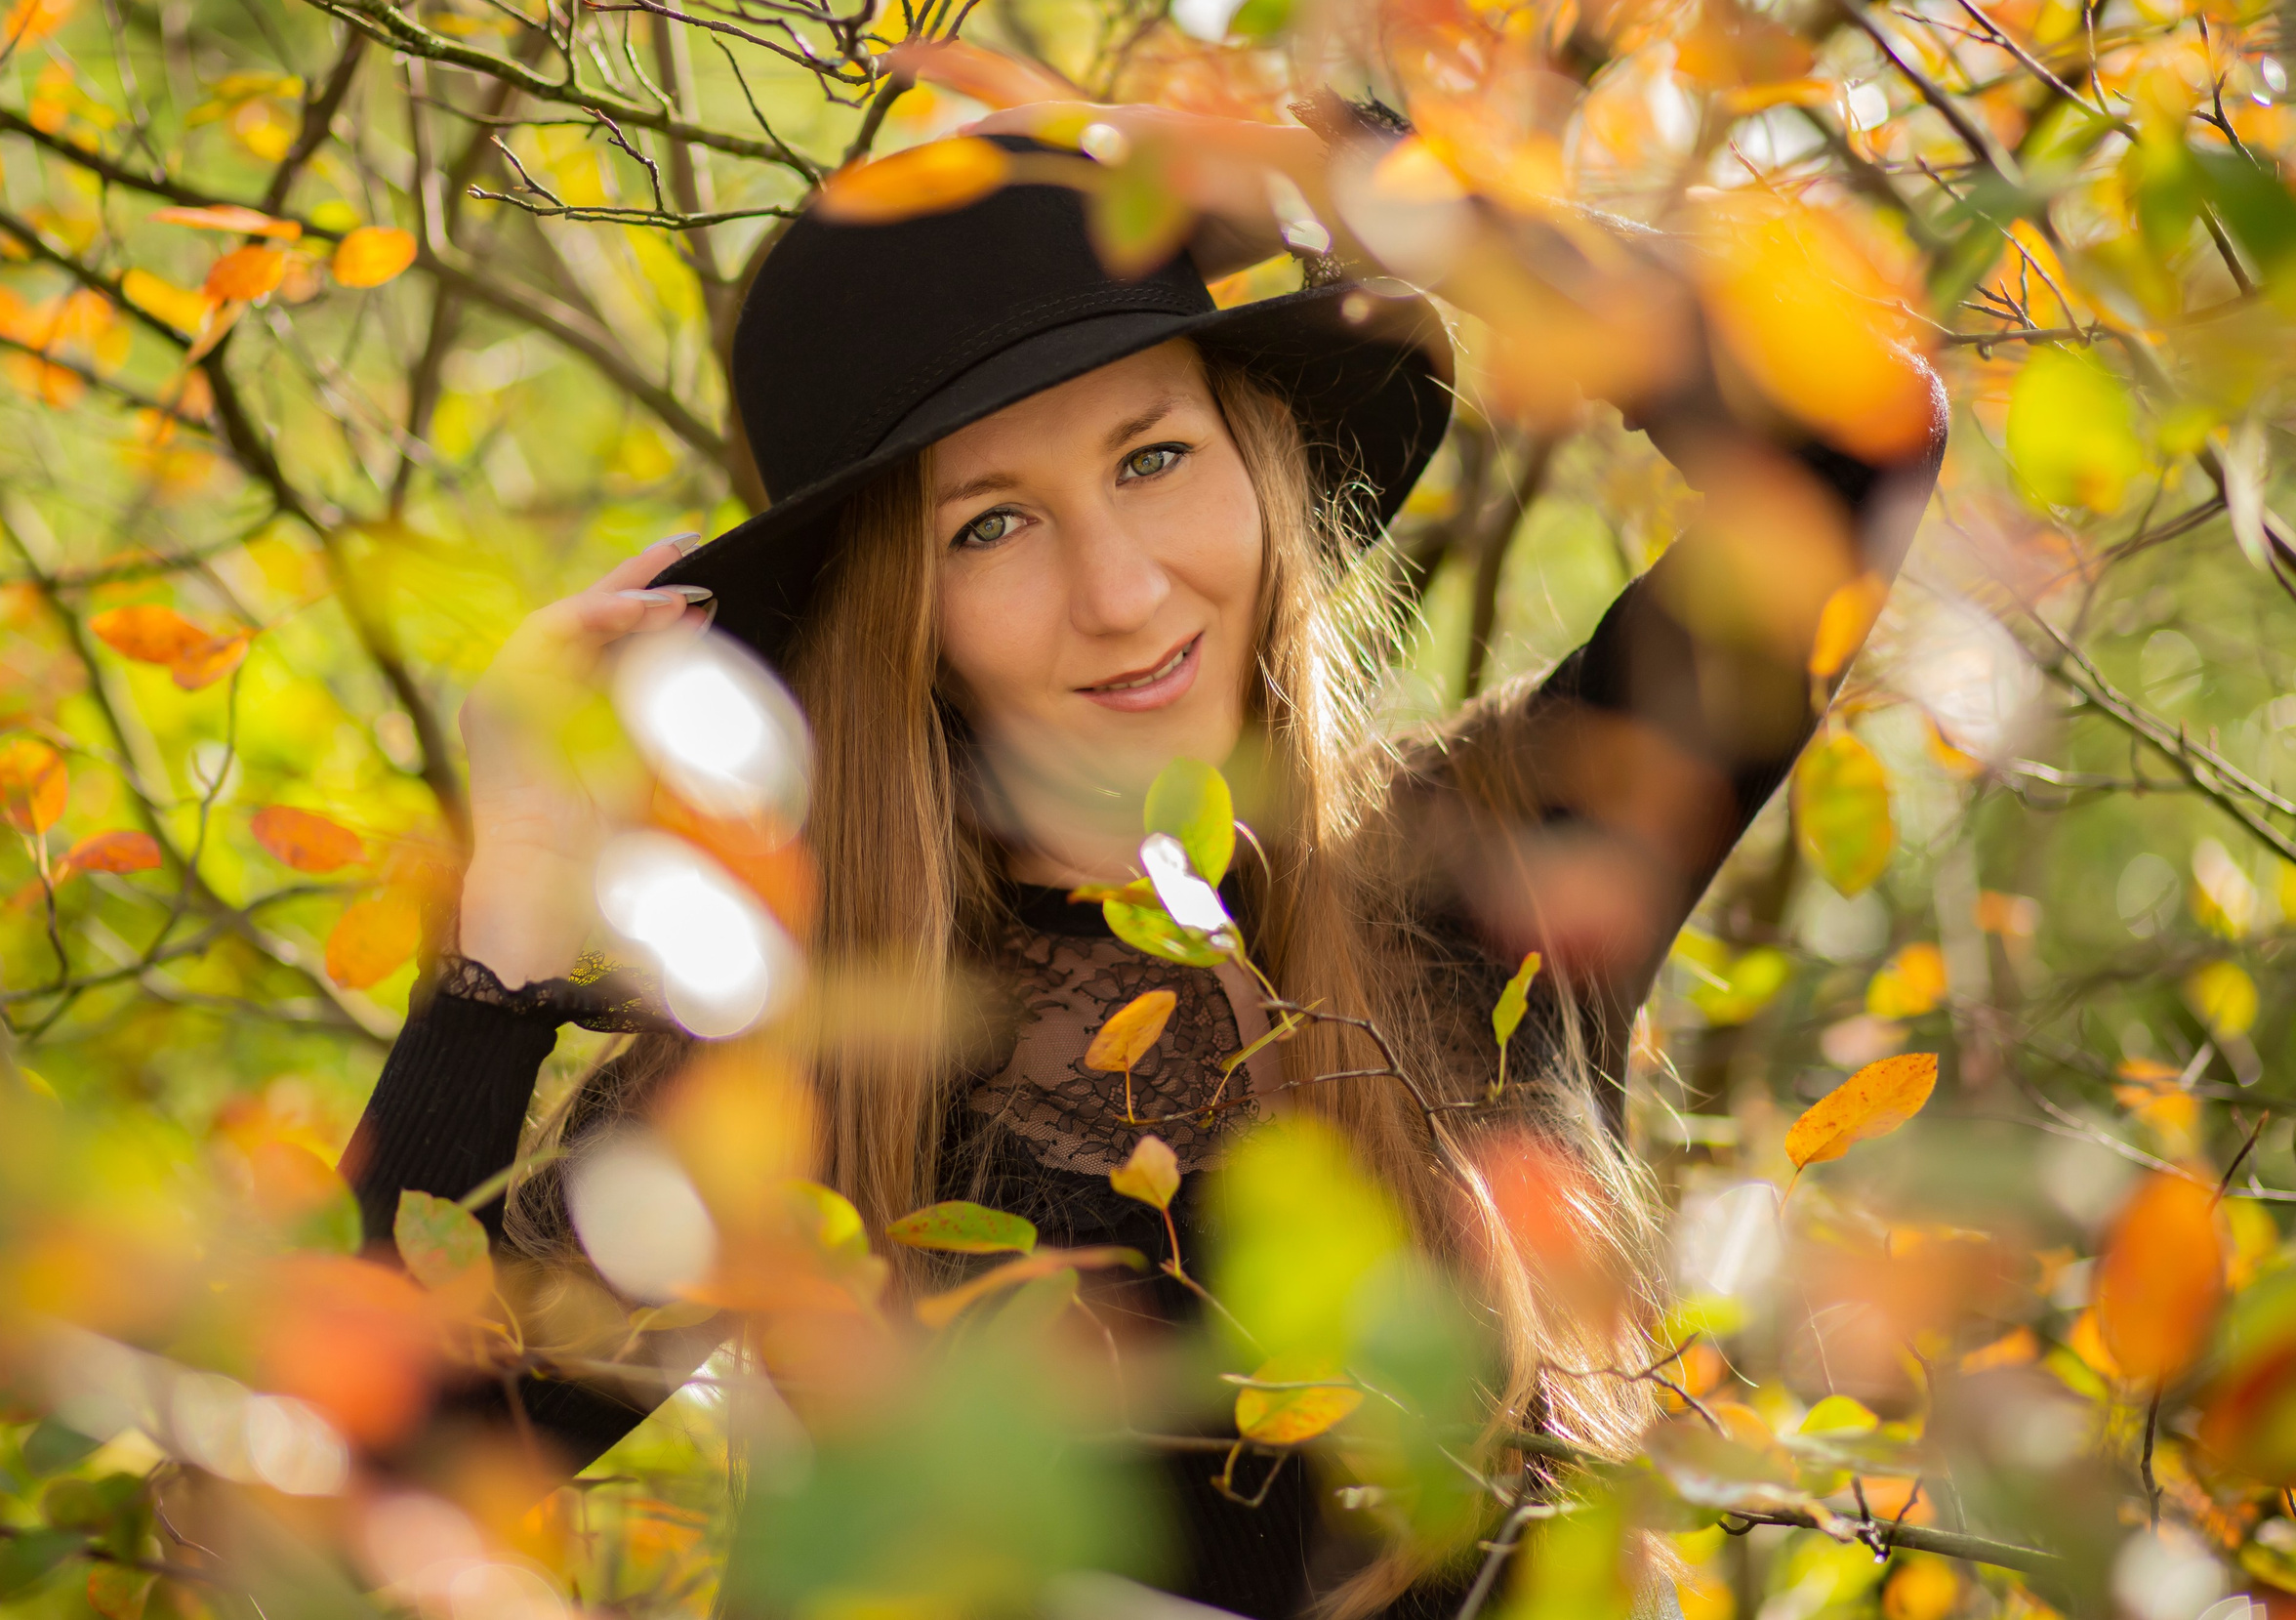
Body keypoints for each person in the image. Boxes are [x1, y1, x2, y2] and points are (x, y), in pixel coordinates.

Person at [341, 101, 1947, 1618]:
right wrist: (510, 930)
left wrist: (1449, 212)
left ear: (1260, 462)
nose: (1119, 592)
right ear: (902, 620)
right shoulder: (818, 1048)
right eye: (992, 525)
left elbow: (1853, 443)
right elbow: (363, 1485)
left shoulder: (1507, 865)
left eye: (1151, 458)